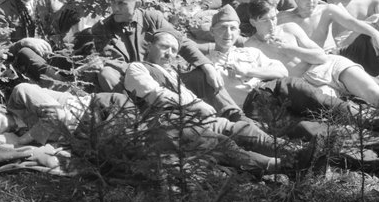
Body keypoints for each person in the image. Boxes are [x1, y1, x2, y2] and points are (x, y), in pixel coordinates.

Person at [123, 29, 317, 175]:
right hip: (164, 125)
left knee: (242, 129)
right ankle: (284, 166)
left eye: (174, 50)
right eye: (164, 47)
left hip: (192, 119)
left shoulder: (173, 74)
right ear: (149, 46)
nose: (169, 54)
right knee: (222, 144)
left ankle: (297, 152)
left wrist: (198, 105)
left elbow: (189, 98)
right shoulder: (137, 68)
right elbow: (154, 95)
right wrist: (195, 105)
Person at [75, 0, 244, 120]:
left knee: (203, 74)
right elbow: (113, 63)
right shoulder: (102, 28)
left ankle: (235, 114)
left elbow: (182, 42)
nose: (115, 8)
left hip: (166, 78)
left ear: (138, 4)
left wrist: (207, 66)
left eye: (121, 3)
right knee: (107, 74)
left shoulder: (151, 18)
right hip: (134, 88)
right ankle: (138, 119)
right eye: (112, 2)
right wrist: (146, 69)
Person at [245, 0, 379, 125]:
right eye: (265, 20)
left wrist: (290, 49)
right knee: (346, 111)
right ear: (253, 21)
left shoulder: (289, 28)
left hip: (328, 65)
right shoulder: (251, 47)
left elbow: (321, 56)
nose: (272, 24)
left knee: (375, 94)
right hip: (306, 83)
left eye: (274, 17)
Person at [0, 83, 135, 147]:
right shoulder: (19, 134)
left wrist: (21, 141)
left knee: (139, 141)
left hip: (102, 107)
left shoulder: (19, 96)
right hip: (91, 133)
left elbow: (58, 116)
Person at [204, 4, 289, 106]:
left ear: (238, 32)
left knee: (295, 86)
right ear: (212, 31)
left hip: (275, 97)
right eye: (223, 28)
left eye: (233, 28)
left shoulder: (250, 52)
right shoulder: (207, 63)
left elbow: (283, 72)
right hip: (249, 109)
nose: (228, 33)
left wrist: (249, 71)